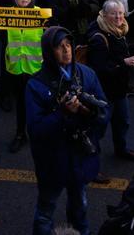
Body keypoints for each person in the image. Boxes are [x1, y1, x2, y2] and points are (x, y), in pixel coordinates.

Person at [26, 26, 109, 235]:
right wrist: (61, 113)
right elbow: (36, 130)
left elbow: (104, 112)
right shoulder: (35, 84)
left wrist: (87, 112)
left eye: (69, 45)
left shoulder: (87, 74)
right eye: (59, 46)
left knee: (80, 207)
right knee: (46, 211)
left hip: (80, 157)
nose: (66, 50)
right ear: (48, 51)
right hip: (53, 160)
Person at [86, 0, 134, 162]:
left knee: (122, 122)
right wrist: (124, 63)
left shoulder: (119, 30)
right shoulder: (98, 37)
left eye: (120, 12)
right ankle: (91, 162)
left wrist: (133, 52)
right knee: (99, 127)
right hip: (104, 92)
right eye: (114, 13)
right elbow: (100, 68)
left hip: (120, 89)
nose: (119, 17)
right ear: (104, 15)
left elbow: (118, 52)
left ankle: (121, 149)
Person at [2, 0, 44, 152]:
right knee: (21, 103)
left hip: (36, 68)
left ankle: (40, 134)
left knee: (40, 103)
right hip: (15, 67)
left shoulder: (41, 14)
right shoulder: (5, 15)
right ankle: (20, 134)